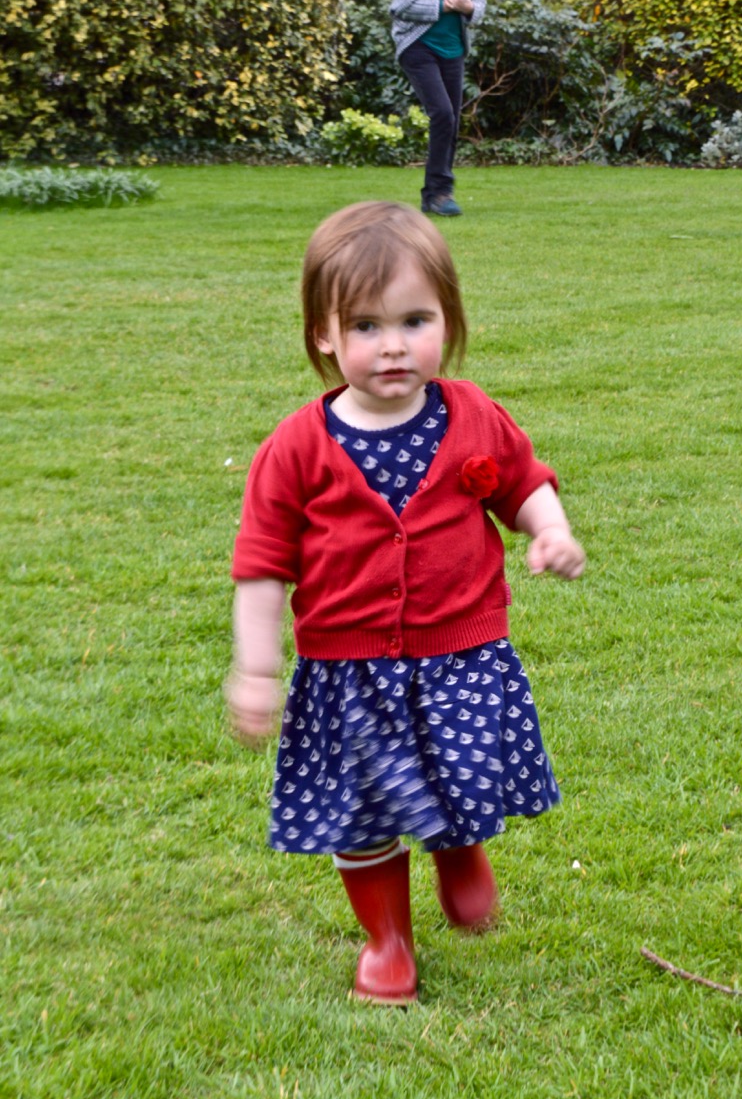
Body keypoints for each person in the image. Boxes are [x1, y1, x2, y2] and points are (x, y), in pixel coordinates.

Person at [226, 201, 586, 1005]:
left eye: (415, 321)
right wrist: (256, 670)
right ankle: (387, 940)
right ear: (323, 335)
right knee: (362, 814)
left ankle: (458, 849)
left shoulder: (471, 414)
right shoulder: (296, 448)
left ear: (447, 321)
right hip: (347, 671)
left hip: (460, 655)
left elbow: (522, 482)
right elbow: (261, 566)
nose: (393, 345)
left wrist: (551, 529)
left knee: (460, 773)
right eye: (366, 326)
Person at [390, 0, 486, 218]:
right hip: (419, 44)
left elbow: (480, 2)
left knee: (452, 120)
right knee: (443, 113)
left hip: (453, 46)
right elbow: (401, 4)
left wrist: (468, 7)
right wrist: (445, 5)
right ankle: (439, 193)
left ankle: (436, 195)